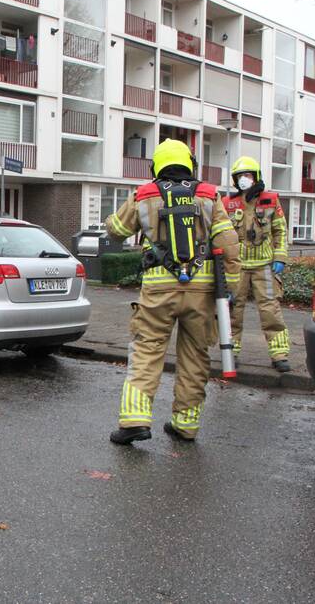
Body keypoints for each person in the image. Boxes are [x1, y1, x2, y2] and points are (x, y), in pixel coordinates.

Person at [106, 139, 241, 444]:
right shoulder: (209, 195)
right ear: (190, 164)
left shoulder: (144, 194)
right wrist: (230, 289)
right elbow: (229, 244)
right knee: (195, 356)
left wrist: (112, 220)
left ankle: (135, 421)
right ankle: (186, 424)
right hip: (202, 293)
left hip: (158, 291)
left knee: (147, 350)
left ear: (156, 166)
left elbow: (116, 231)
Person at [222, 156, 292, 373]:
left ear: (256, 177)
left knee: (270, 310)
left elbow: (280, 231)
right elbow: (221, 234)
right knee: (233, 310)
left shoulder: (270, 200)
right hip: (237, 267)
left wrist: (280, 257)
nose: (244, 179)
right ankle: (231, 352)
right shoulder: (227, 203)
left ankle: (279, 354)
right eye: (240, 176)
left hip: (265, 267)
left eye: (247, 175)